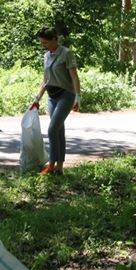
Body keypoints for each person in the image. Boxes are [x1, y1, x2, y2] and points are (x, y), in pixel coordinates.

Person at [30, 26, 81, 175]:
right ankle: (59, 167)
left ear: (54, 39)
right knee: (58, 131)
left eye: (45, 42)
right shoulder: (46, 56)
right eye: (41, 43)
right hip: (52, 96)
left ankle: (51, 165)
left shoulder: (66, 53)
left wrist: (77, 96)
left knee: (52, 130)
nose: (43, 45)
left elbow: (74, 77)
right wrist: (37, 98)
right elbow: (45, 79)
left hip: (66, 95)